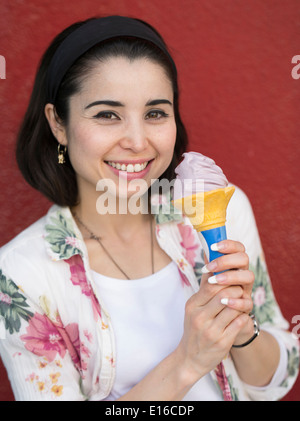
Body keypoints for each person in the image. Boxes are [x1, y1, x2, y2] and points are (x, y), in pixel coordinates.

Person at [0, 15, 298, 401]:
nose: (138, 141)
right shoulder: (20, 276)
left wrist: (241, 330)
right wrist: (188, 362)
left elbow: (277, 381)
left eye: (155, 113)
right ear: (59, 123)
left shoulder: (224, 208)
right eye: (108, 114)